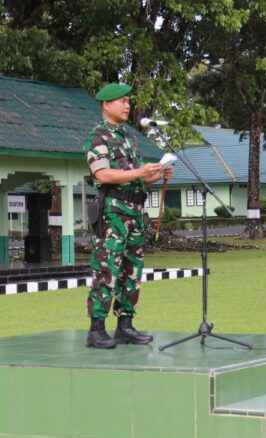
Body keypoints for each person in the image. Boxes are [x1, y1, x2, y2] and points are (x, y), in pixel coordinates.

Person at [84, 82, 173, 349]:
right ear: (106, 104)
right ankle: (96, 329)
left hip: (134, 213)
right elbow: (102, 174)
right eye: (122, 101)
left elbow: (136, 180)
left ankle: (125, 325)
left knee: (131, 271)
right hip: (113, 215)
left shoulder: (127, 138)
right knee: (106, 269)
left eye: (128, 101)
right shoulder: (98, 137)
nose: (127, 105)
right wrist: (139, 173)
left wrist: (157, 175)